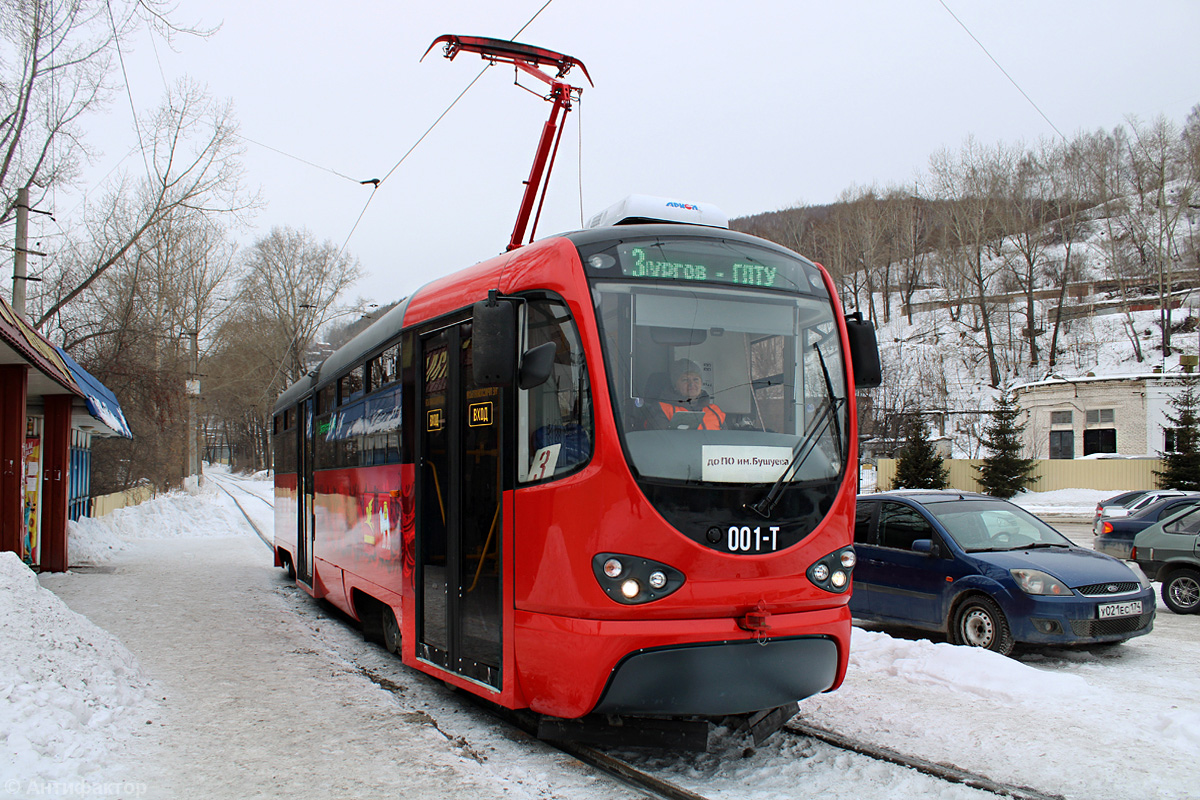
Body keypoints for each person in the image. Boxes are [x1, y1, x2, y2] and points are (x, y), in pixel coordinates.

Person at [651, 358, 725, 430]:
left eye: (696, 379)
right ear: (675, 386)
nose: (691, 384)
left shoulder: (715, 410)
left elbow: (725, 439)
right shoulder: (662, 409)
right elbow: (660, 439)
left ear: (701, 383)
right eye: (685, 380)